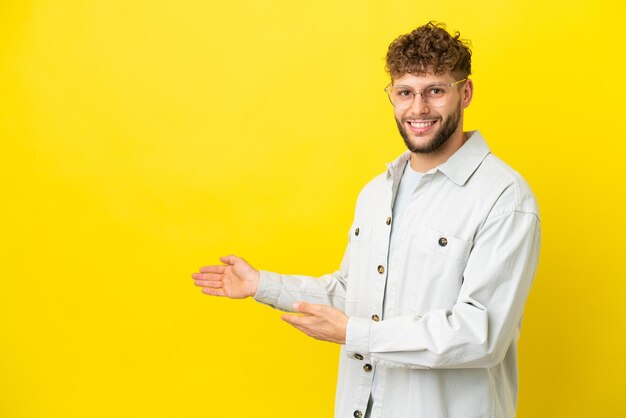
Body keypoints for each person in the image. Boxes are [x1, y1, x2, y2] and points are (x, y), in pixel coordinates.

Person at [192, 21, 541, 418]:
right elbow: (353, 294)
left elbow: (482, 334)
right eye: (405, 92)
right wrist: (261, 284)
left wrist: (355, 334)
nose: (418, 108)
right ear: (392, 95)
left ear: (466, 93)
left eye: (435, 91)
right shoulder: (377, 193)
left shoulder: (503, 197)